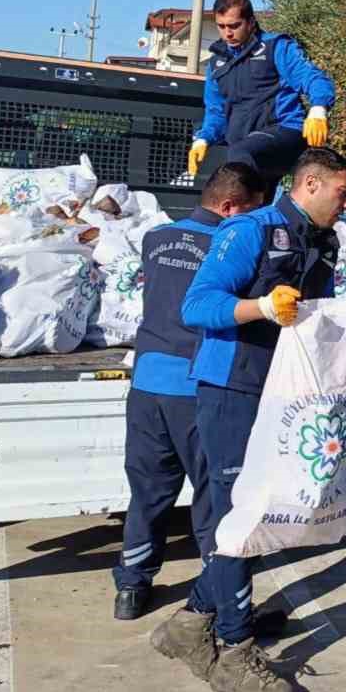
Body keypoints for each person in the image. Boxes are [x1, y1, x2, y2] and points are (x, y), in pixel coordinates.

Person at [149, 147, 346, 692]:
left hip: (285, 394)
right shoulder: (250, 232)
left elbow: (313, 317)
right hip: (232, 389)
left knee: (270, 513)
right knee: (241, 516)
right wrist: (261, 307)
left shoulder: (326, 242)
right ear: (310, 184)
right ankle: (233, 649)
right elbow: (198, 307)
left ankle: (191, 621)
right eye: (342, 192)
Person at [113, 162, 267, 622]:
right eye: (250, 212)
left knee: (149, 493)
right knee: (212, 495)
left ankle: (132, 588)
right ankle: (218, 589)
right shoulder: (229, 246)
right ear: (230, 207)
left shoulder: (155, 239)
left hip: (145, 383)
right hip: (193, 386)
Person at [185, 0, 336, 188]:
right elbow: (216, 111)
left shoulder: (276, 47)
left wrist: (318, 109)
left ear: (250, 22)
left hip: (284, 132)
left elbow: (313, 78)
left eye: (234, 26)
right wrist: (203, 139)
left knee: (239, 163)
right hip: (247, 146)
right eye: (221, 27)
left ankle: (244, 211)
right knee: (240, 192)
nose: (227, 33)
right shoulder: (217, 64)